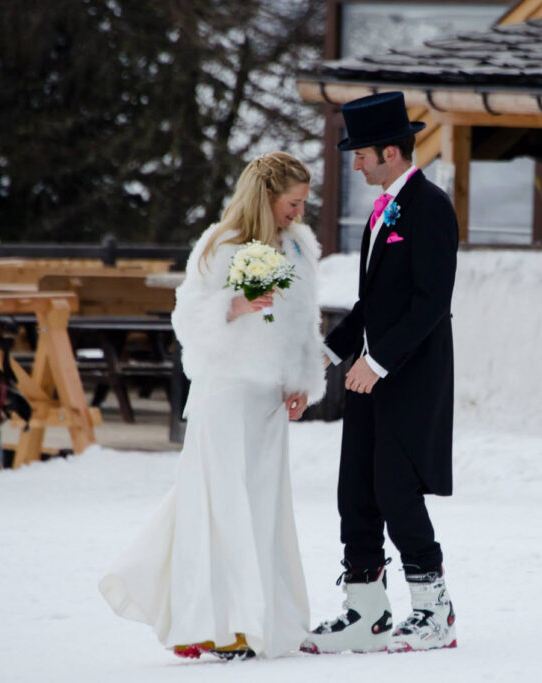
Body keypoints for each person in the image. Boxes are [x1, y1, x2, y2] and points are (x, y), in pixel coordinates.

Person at [98, 152, 326, 660]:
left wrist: (302, 380)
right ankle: (226, 624)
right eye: (293, 203)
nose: (298, 213)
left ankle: (230, 614)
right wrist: (234, 304)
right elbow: (188, 317)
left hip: (267, 400)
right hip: (225, 393)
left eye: (303, 204)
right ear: (267, 197)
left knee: (261, 506)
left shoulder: (298, 248)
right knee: (221, 504)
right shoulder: (220, 244)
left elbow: (304, 321)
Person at [301, 91, 459, 655]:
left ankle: (434, 612)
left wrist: (379, 361)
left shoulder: (430, 207)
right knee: (357, 490)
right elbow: (372, 305)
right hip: (370, 375)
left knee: (396, 489)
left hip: (410, 376)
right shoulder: (382, 211)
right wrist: (326, 354)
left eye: (360, 153)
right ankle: (366, 613)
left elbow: (430, 303)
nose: (355, 163)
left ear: (390, 151)